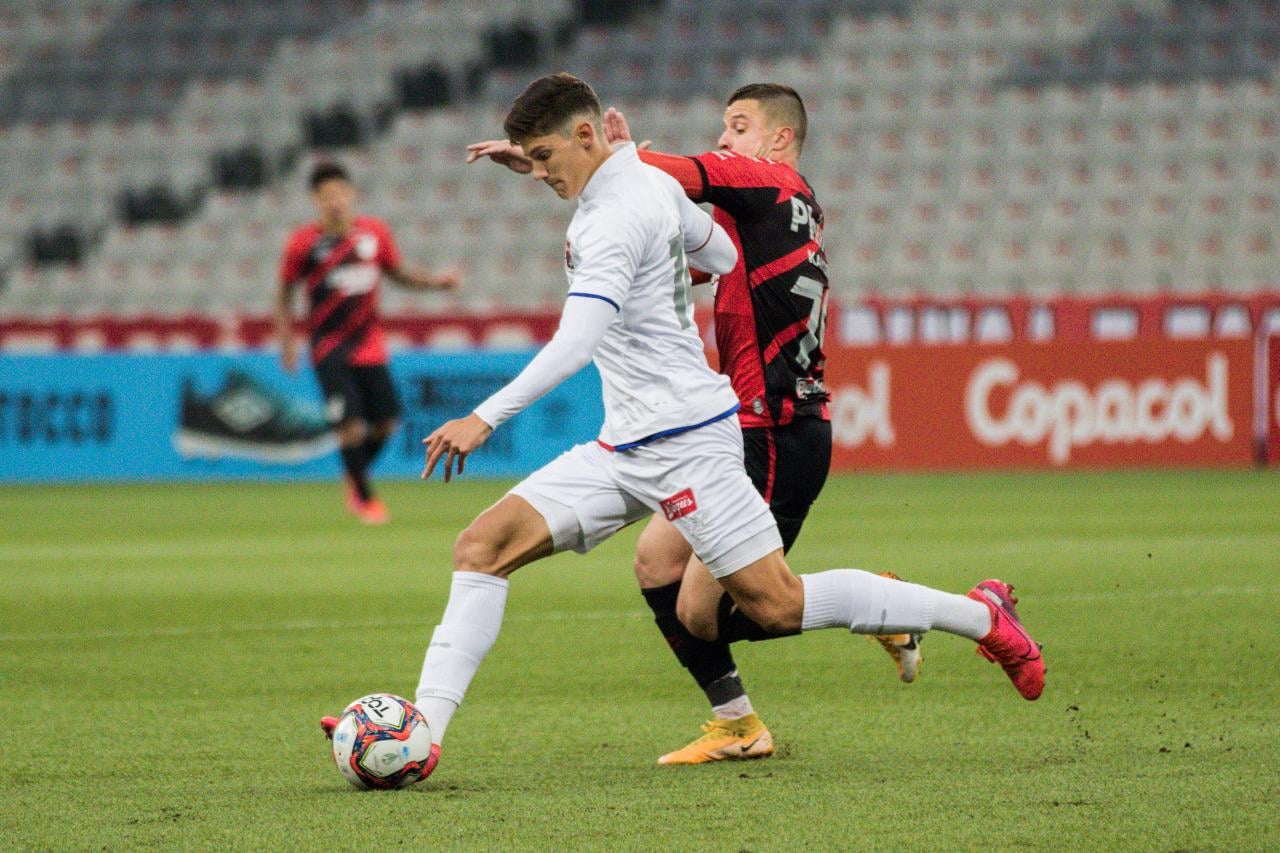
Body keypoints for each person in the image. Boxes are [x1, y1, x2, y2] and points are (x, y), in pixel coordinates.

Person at [321, 73, 1044, 782]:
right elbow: (721, 255)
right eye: (531, 160)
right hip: (625, 442)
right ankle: (422, 737)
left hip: (689, 442)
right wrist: (658, 267)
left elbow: (576, 341)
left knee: (775, 602)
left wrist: (484, 417)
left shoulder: (613, 217)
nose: (538, 174)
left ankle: (979, 617)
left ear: (584, 135)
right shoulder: (645, 187)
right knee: (482, 546)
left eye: (545, 157)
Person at [466, 84, 922, 765]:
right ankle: (737, 721)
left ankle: (883, 605)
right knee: (656, 564)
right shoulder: (769, 214)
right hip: (739, 424)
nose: (723, 138)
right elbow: (666, 258)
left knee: (725, 609)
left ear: (777, 139)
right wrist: (559, 162)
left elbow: (673, 174)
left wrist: (598, 153)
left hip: (770, 426)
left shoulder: (761, 178)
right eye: (722, 125)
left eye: (737, 125)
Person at [277, 161, 461, 525]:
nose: (334, 202)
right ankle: (365, 499)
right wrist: (286, 341)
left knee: (385, 424)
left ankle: (354, 474)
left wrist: (437, 283)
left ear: (352, 194)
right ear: (315, 200)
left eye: (340, 194)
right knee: (348, 427)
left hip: (370, 345)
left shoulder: (374, 234)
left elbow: (398, 273)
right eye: (326, 196)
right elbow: (284, 294)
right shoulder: (304, 243)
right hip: (329, 347)